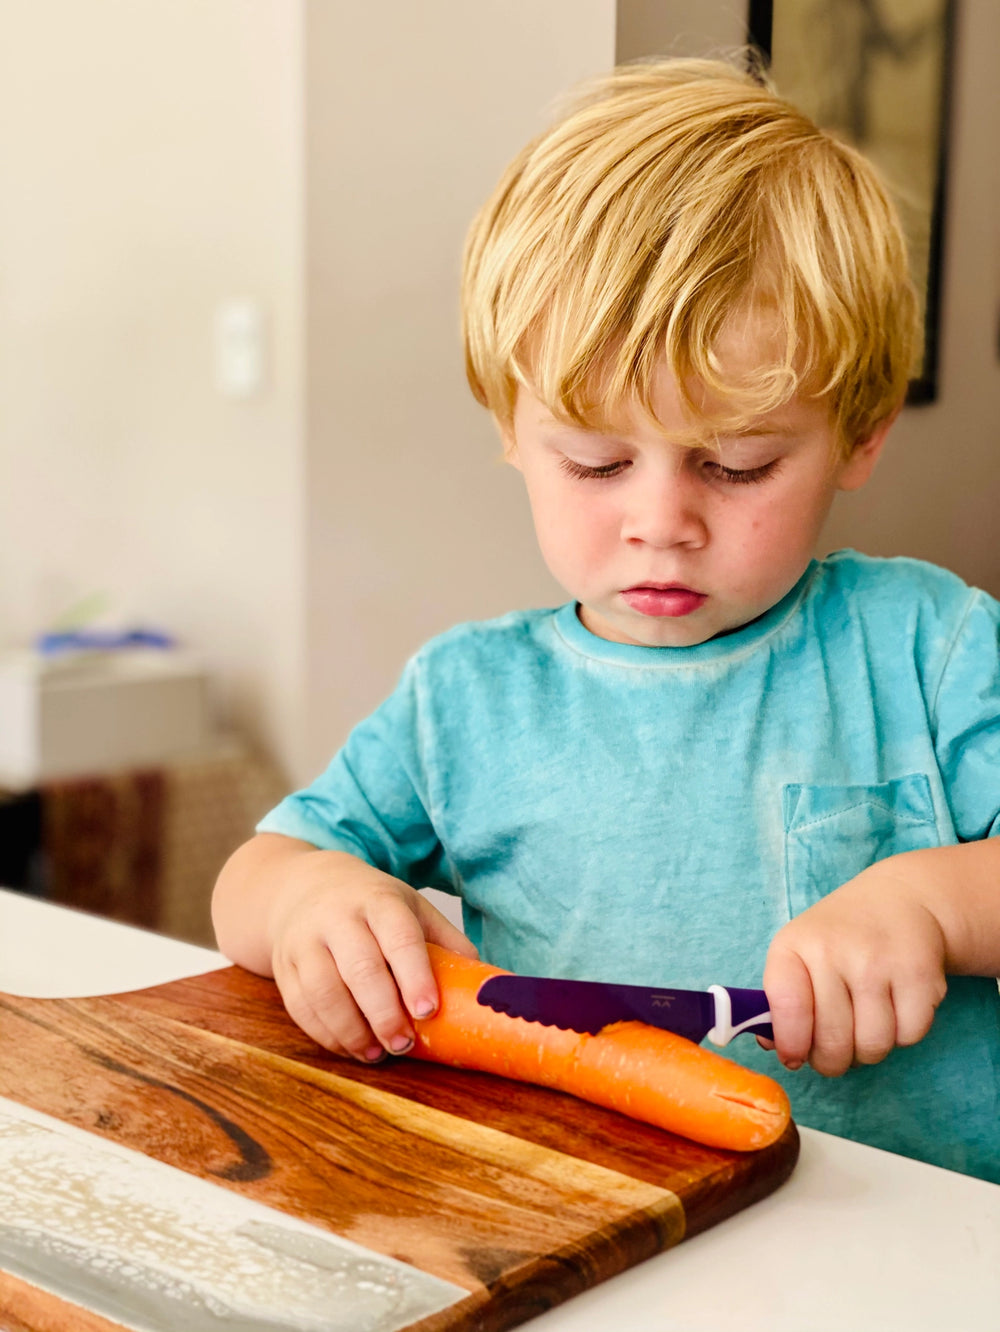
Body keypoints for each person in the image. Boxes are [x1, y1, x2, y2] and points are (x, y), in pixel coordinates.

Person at [213, 56, 1000, 1182]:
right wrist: (309, 903)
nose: (659, 522)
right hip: (581, 1224)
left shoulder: (932, 650)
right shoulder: (465, 698)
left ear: (861, 435)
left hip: (908, 1253)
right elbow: (258, 872)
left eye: (735, 466)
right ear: (509, 429)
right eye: (594, 462)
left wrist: (929, 906)